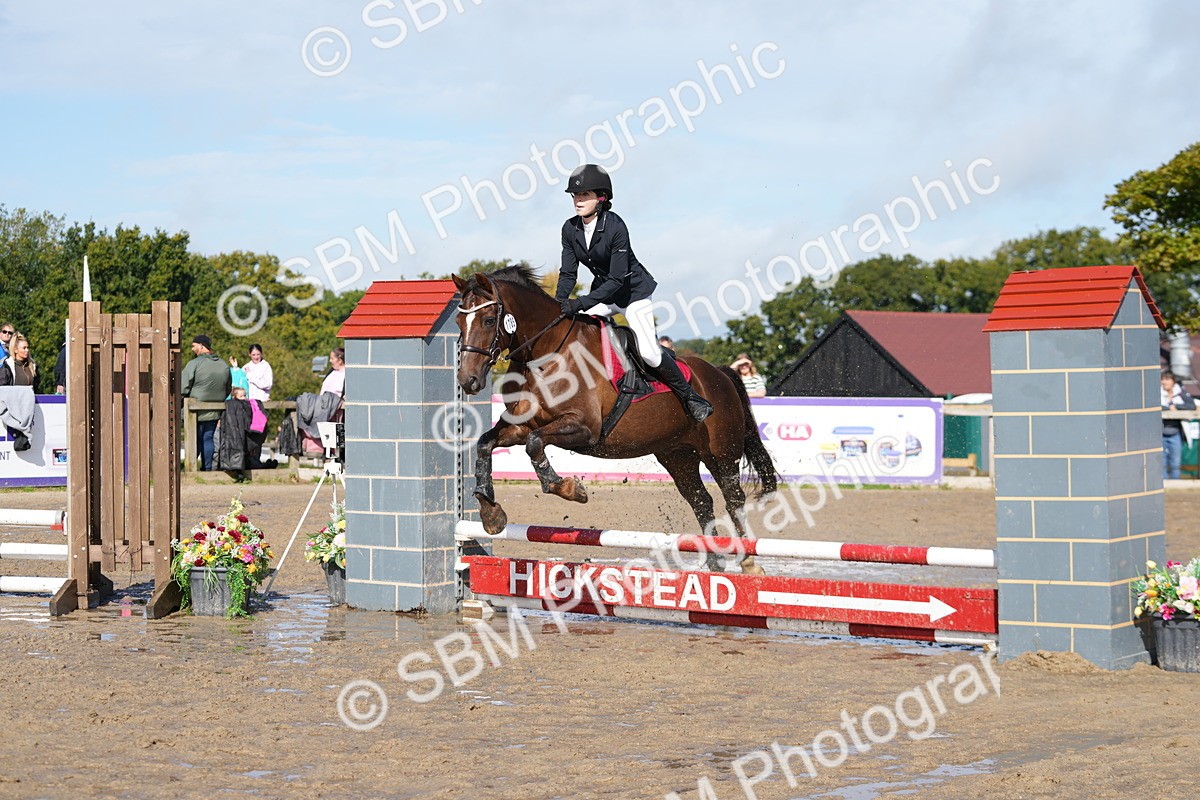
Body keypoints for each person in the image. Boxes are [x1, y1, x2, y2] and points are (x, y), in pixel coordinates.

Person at [555, 164, 711, 421]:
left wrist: (580, 302)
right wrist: (559, 303)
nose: (577, 200)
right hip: (603, 295)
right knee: (573, 330)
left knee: (649, 352)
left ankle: (689, 396)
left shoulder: (616, 226)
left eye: (584, 195)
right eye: (575, 195)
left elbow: (617, 279)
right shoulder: (569, 229)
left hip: (632, 294)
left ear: (601, 198)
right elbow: (569, 274)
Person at [182, 334, 232, 471]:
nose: (192, 349)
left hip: (195, 410)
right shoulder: (224, 365)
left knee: (194, 439)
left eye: (194, 346)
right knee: (208, 438)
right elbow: (228, 388)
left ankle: (190, 469)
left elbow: (183, 387)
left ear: (201, 346)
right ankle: (207, 469)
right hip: (215, 410)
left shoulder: (194, 364)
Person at [1161, 371, 1195, 480]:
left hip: (1175, 432)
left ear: (1173, 381)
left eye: (1167, 379)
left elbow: (1191, 405)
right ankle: (1164, 484)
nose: (1164, 382)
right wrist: (1169, 408)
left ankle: (1174, 483)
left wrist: (1176, 406)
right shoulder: (1158, 393)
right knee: (1161, 462)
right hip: (1160, 433)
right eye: (1163, 379)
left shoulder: (1180, 392)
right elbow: (1154, 406)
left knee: (1175, 462)